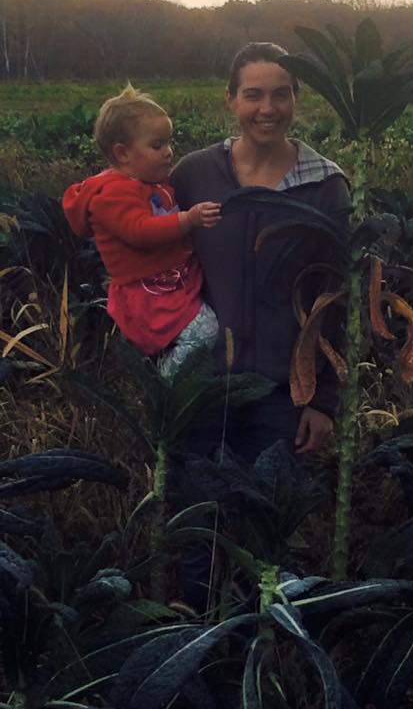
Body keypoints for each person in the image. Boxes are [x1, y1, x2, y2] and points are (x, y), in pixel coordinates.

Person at [171, 41, 351, 461]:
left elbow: (338, 299)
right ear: (231, 99)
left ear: (295, 99)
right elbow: (150, 254)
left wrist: (323, 400)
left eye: (280, 94)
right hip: (198, 383)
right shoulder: (195, 174)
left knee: (263, 517)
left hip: (283, 394)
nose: (267, 108)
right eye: (253, 94)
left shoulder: (325, 186)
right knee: (196, 513)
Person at [63, 84, 221, 376]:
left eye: (169, 143)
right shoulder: (111, 194)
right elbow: (139, 230)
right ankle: (167, 384)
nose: (169, 152)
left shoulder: (148, 182)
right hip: (147, 293)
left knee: (204, 325)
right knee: (207, 330)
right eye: (157, 145)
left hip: (167, 280)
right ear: (122, 154)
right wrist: (188, 219)